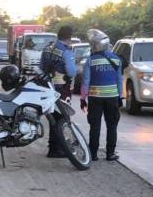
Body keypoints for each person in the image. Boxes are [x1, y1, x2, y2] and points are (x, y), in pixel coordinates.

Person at [80, 29, 123, 161]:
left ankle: (93, 154)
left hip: (95, 98)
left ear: (95, 45)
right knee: (112, 126)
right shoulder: (116, 59)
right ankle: (110, 153)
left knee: (95, 126)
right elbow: (119, 81)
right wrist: (120, 97)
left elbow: (86, 81)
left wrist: (83, 99)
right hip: (112, 98)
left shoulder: (90, 60)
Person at [40, 26, 77, 158]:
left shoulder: (48, 48)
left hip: (47, 87)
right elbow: (72, 72)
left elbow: (41, 68)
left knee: (53, 117)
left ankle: (53, 147)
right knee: (62, 118)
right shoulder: (66, 51)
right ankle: (57, 149)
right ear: (70, 37)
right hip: (62, 88)